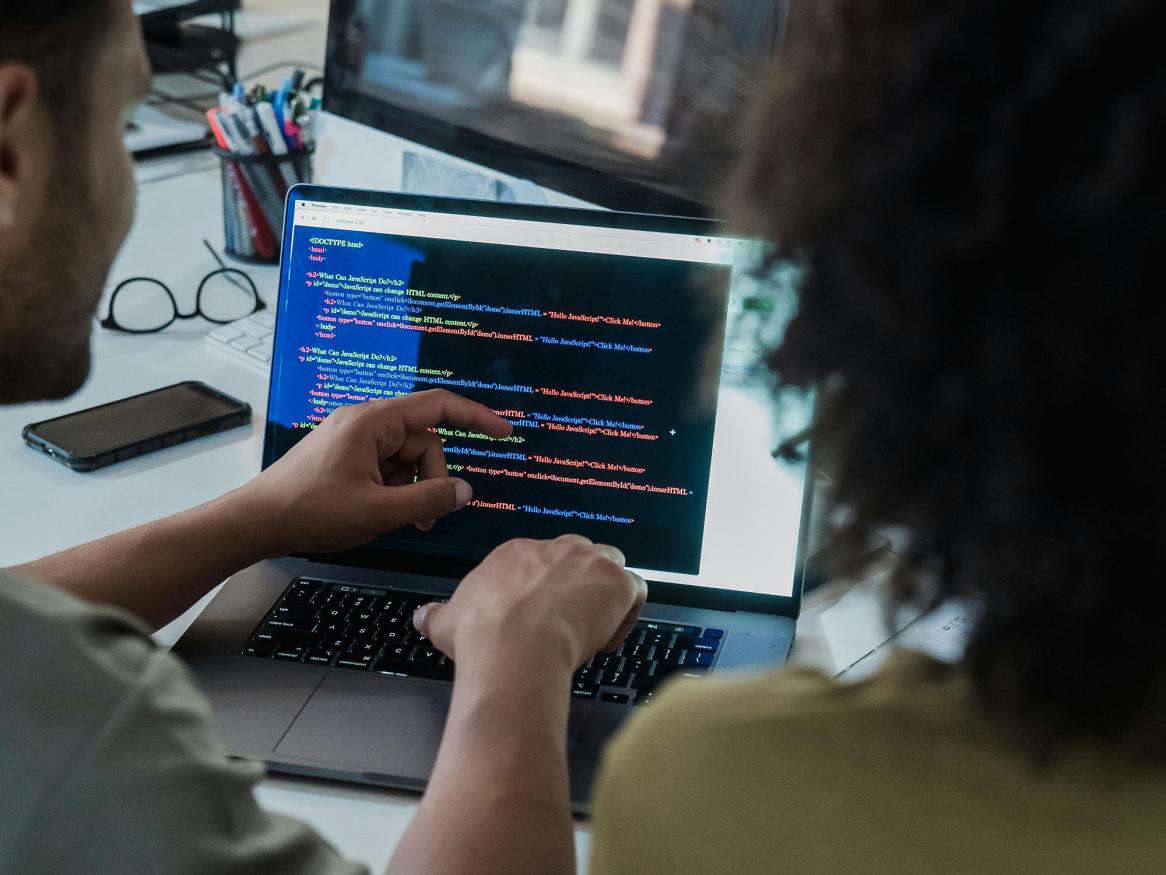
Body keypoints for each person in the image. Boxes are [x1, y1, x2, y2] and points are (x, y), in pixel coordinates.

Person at [0, 2, 643, 872]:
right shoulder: (83, 742)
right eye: (121, 123)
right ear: (11, 152)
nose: (126, 191)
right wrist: (521, 659)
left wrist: (260, 516)